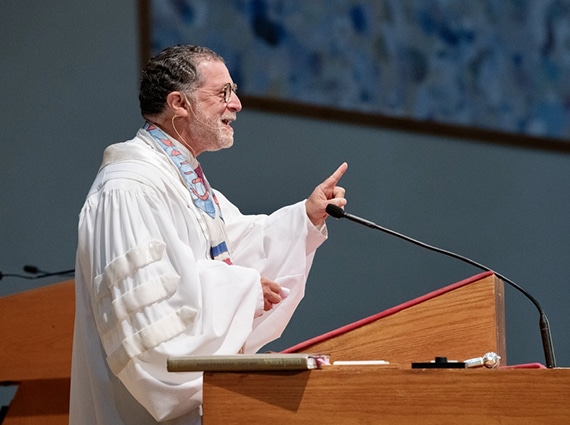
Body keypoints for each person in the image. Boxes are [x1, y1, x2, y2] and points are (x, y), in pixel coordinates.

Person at [69, 44, 348, 425]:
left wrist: (305, 216)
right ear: (179, 103)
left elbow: (235, 249)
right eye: (224, 93)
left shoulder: (185, 181)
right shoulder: (128, 188)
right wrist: (245, 289)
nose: (237, 105)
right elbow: (149, 319)